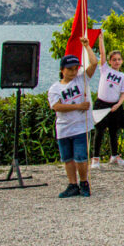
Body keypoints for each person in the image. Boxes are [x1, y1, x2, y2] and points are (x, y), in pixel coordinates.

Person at [48, 38, 98, 198]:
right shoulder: (55, 88)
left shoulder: (81, 79)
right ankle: (72, 184)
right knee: (67, 159)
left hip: (80, 127)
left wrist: (87, 46)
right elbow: (56, 106)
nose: (73, 71)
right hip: (64, 127)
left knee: (81, 157)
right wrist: (78, 106)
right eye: (70, 69)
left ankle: (84, 182)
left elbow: (94, 63)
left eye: (76, 68)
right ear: (62, 70)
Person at [90, 34, 124, 169]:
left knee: (114, 131)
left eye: (119, 59)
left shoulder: (123, 77)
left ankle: (114, 156)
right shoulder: (105, 69)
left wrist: (118, 105)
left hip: (115, 106)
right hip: (101, 103)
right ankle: (95, 158)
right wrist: (101, 40)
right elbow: (102, 53)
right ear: (110, 61)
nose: (117, 62)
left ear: (122, 61)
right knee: (99, 132)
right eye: (114, 60)